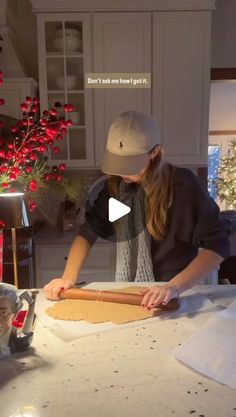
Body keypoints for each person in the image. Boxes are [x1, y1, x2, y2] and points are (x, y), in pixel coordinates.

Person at [44, 111, 230, 309]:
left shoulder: (183, 186)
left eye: (131, 164)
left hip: (178, 294)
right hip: (132, 293)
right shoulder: (115, 188)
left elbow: (218, 246)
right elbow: (88, 233)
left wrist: (173, 287)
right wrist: (67, 278)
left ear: (154, 153)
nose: (123, 172)